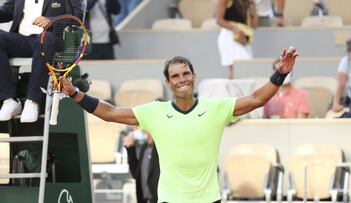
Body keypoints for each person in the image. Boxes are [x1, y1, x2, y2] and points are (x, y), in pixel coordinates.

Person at [59, 47, 298, 203]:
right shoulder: (155, 112)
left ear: (194, 76)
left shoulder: (217, 108)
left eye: (186, 73)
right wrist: (75, 94)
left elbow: (257, 99)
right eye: (175, 76)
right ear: (168, 82)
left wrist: (280, 74)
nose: (182, 79)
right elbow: (109, 112)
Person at [0, 0, 83, 122]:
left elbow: (77, 17)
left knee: (44, 39)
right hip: (21, 39)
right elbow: (7, 11)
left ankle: (33, 101)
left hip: (51, 38)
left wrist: (52, 21)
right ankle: (8, 100)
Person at [216, 0, 258, 79]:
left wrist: (254, 6)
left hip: (243, 39)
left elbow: (254, 25)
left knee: (247, 69)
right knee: (235, 70)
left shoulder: (247, 2)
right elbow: (219, 20)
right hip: (229, 36)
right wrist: (235, 28)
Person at [123, 126, 159, 203]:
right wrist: (130, 149)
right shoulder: (145, 148)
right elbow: (136, 175)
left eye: (136, 128)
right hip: (145, 200)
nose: (135, 130)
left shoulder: (159, 148)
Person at [332, 35, 351, 112]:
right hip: (349, 101)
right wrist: (336, 103)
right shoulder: (345, 62)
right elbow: (341, 85)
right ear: (349, 52)